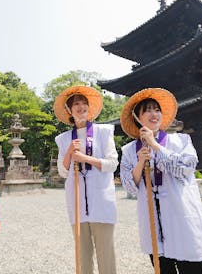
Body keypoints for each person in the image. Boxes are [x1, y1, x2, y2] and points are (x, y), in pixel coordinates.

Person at [119, 88, 202, 274]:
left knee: (191, 268)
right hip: (152, 219)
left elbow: (184, 169)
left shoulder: (181, 140)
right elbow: (129, 186)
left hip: (181, 215)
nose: (154, 114)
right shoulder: (129, 150)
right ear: (137, 117)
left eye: (157, 109)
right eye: (147, 110)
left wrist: (155, 145)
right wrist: (140, 163)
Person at [53, 86, 119, 274]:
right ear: (69, 110)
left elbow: (112, 163)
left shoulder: (104, 132)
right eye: (76, 104)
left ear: (89, 108)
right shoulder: (63, 139)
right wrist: (69, 153)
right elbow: (63, 172)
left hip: (102, 201)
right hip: (77, 203)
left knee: (106, 256)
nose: (80, 107)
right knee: (82, 257)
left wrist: (86, 159)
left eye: (84, 103)